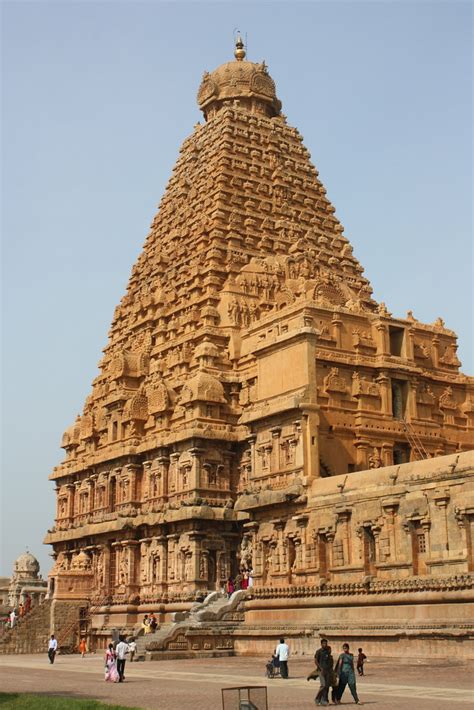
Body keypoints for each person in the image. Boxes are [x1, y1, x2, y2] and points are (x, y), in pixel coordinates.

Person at [314, 638, 334, 706]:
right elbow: (316, 661)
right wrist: (320, 668)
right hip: (321, 671)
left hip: (327, 671)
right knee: (323, 685)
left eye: (326, 643)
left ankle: (324, 700)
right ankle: (317, 699)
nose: (325, 645)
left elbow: (329, 662)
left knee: (327, 686)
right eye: (323, 643)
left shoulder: (327, 652)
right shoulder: (318, 651)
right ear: (321, 644)